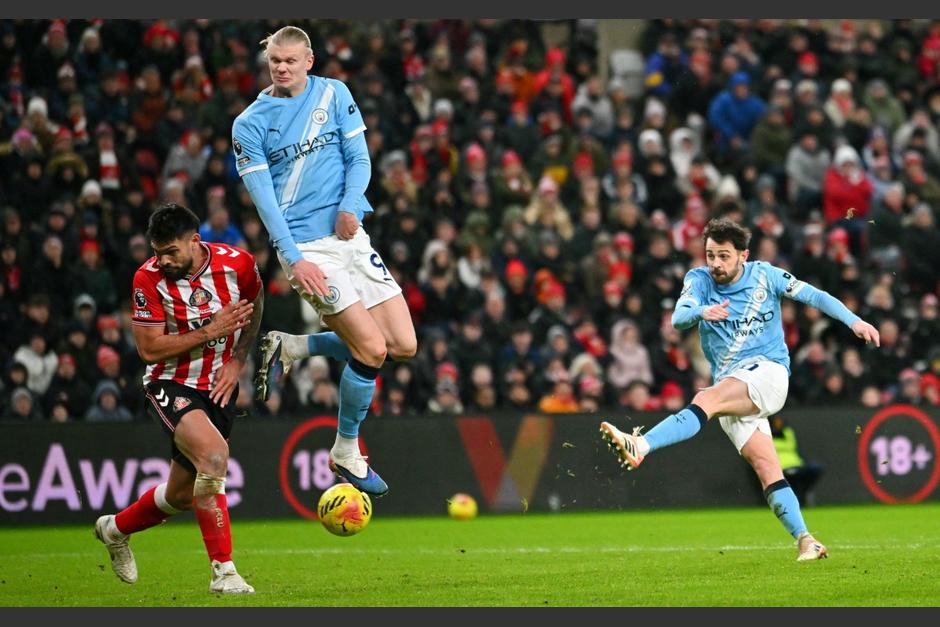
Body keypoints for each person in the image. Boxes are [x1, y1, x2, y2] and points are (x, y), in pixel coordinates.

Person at [599, 218, 880, 562]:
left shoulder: (767, 276)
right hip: (733, 384)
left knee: (706, 399)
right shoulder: (699, 280)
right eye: (710, 255)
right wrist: (703, 311)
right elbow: (679, 318)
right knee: (766, 468)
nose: (715, 263)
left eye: (723, 256)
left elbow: (815, 296)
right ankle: (807, 541)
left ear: (743, 256)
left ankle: (640, 445)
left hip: (769, 373)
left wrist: (855, 321)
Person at [232, 25, 417, 497]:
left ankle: (296, 346)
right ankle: (346, 450)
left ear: (309, 61)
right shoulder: (249, 124)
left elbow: (359, 159)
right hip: (308, 249)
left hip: (350, 236)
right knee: (371, 350)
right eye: (275, 61)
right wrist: (293, 259)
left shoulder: (334, 94)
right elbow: (264, 201)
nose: (281, 68)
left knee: (403, 344)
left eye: (290, 61)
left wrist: (351, 205)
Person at [94, 204, 263, 594]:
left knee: (181, 495)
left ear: (195, 241)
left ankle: (114, 529)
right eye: (158, 252)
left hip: (219, 386)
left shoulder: (237, 263)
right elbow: (149, 349)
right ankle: (223, 572)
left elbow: (255, 305)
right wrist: (210, 331)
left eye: (171, 251)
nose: (164, 260)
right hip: (170, 383)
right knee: (214, 457)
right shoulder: (147, 279)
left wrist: (238, 361)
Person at [770, 416, 825, 507]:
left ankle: (805, 492)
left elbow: (790, 446)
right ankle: (795, 499)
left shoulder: (787, 432)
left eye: (780, 422)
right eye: (776, 422)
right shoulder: (766, 434)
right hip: (781, 467)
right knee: (790, 483)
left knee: (816, 468)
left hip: (797, 464)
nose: (778, 424)